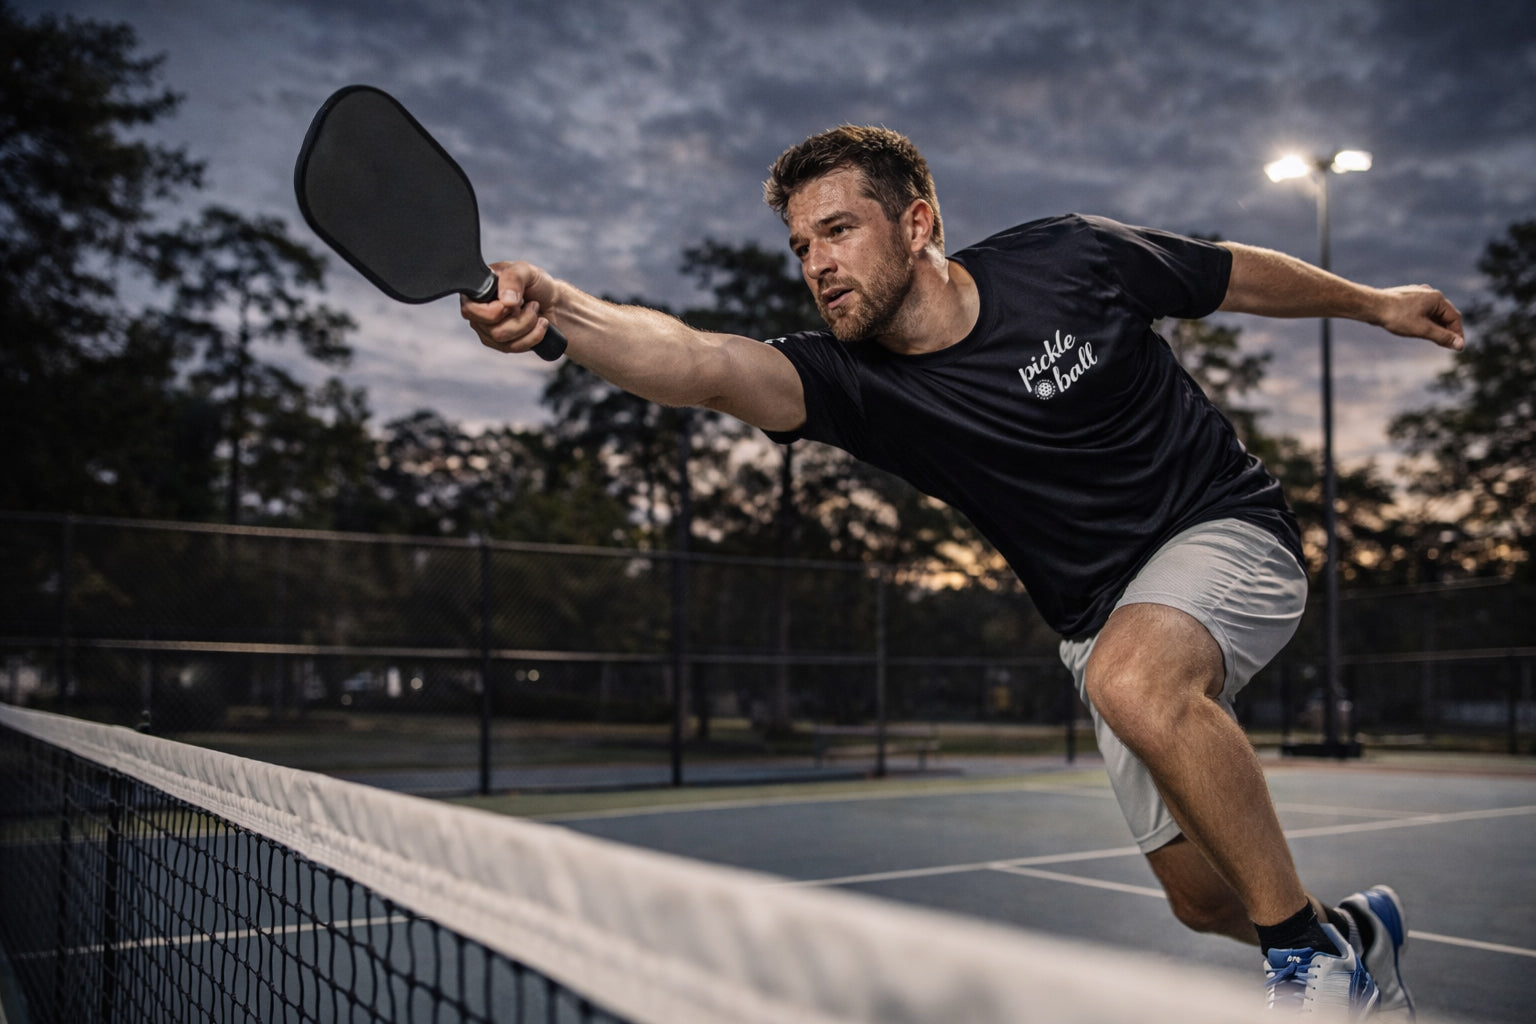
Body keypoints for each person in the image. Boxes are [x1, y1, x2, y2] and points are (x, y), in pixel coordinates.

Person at [463, 125, 1462, 1015]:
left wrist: (1376, 304)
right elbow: (696, 360)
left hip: (1227, 530)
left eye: (839, 230)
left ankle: (1313, 972)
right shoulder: (855, 384)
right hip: (1098, 619)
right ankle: (1351, 933)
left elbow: (1229, 274)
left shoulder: (1070, 257)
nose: (816, 262)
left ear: (917, 223)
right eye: (802, 244)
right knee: (1206, 897)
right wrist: (562, 312)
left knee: (1134, 680)